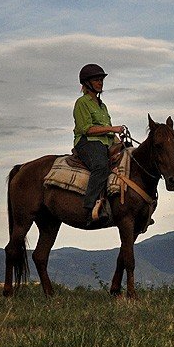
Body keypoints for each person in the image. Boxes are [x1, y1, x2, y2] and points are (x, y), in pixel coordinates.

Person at [73, 64, 124, 227]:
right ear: (86, 83)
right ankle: (88, 210)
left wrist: (119, 140)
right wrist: (111, 128)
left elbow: (109, 131)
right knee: (101, 166)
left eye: (101, 79)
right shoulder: (82, 103)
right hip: (87, 142)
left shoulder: (103, 106)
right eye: (96, 80)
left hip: (106, 142)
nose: (100, 82)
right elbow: (86, 129)